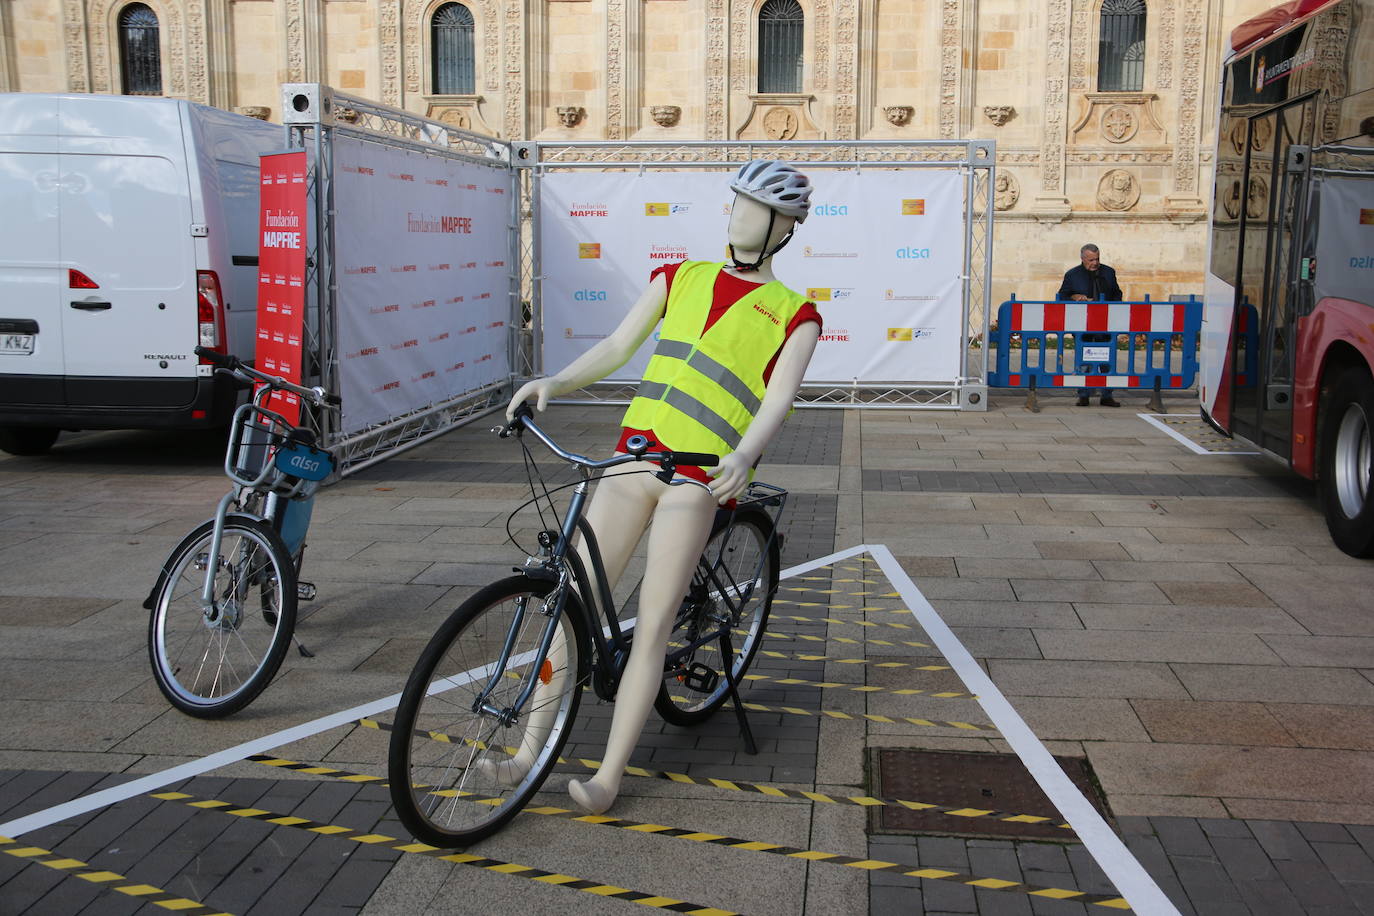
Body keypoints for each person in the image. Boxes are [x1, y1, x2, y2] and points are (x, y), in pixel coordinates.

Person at [501, 159, 822, 814]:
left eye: (758, 211)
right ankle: (522, 756)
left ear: (785, 228)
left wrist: (746, 453)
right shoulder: (681, 277)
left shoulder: (796, 314)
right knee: (571, 605)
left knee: (651, 627)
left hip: (702, 475)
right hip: (635, 456)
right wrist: (555, 383)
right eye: (736, 205)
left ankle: (608, 778)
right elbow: (619, 345)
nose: (740, 218)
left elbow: (777, 402)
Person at [1056, 243, 1123, 407]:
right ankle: (1083, 395)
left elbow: (1117, 294)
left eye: (1097, 259)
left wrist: (1109, 306)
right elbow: (1062, 296)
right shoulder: (1072, 275)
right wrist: (1075, 297)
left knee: (1106, 360)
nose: (1095, 263)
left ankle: (1107, 395)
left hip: (1105, 325)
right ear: (1083, 259)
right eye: (1091, 260)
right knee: (1084, 360)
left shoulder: (1108, 272)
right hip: (1082, 326)